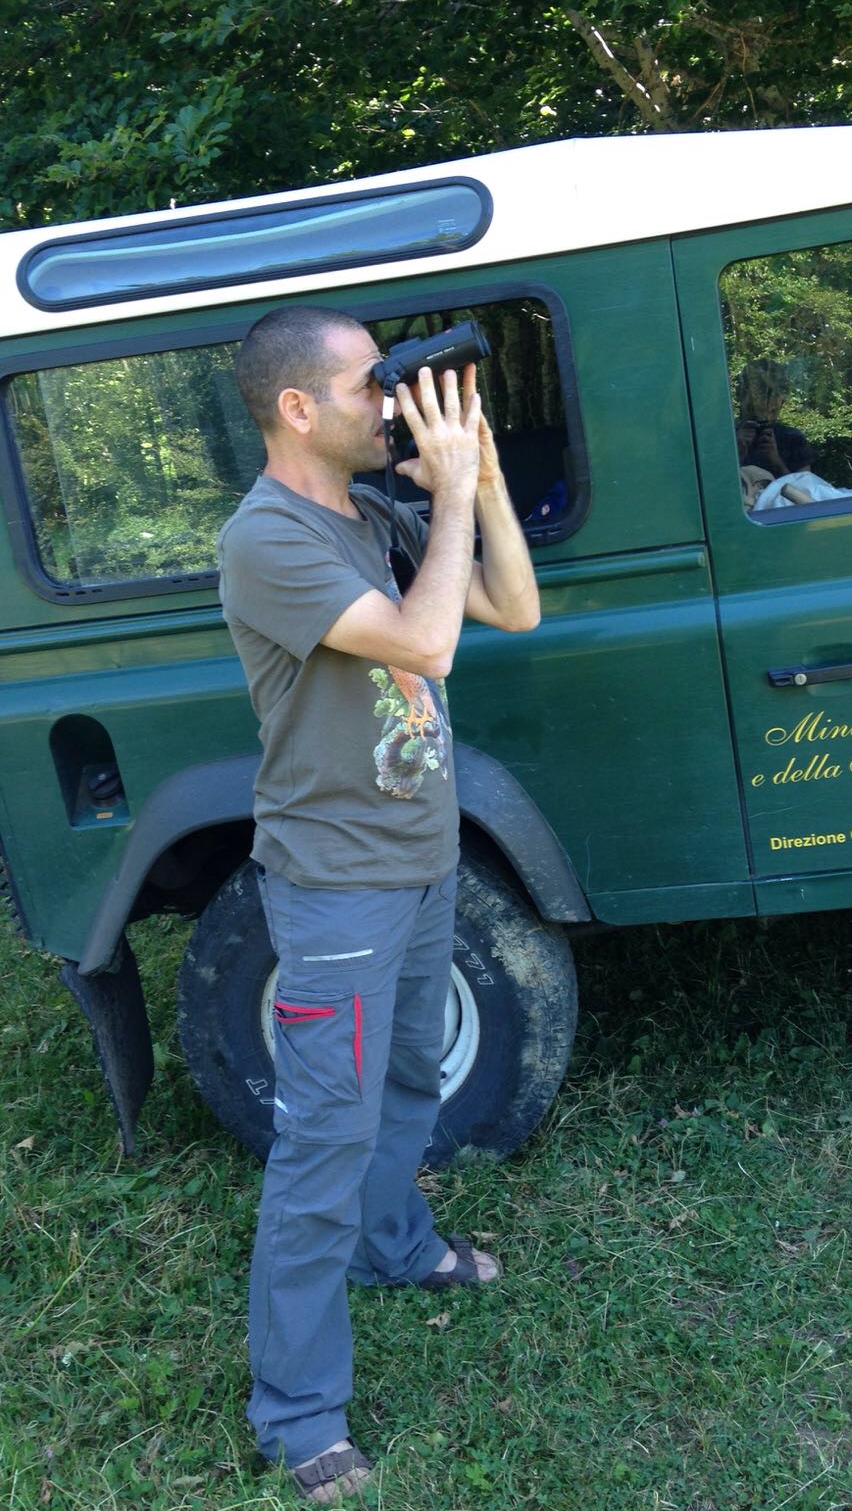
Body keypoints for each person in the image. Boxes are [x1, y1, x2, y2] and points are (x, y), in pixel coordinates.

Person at [217, 303, 540, 1503]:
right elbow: (428, 642)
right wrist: (448, 497)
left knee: (410, 1078)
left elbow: (512, 607)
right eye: (367, 387)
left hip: (419, 856)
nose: (390, 406)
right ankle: (298, 1412)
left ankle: (397, 1245)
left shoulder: (373, 515)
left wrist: (483, 479)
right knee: (323, 1140)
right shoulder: (265, 538)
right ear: (298, 408)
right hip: (337, 885)